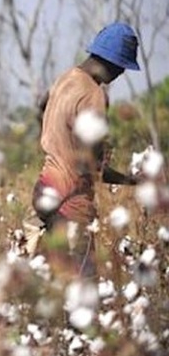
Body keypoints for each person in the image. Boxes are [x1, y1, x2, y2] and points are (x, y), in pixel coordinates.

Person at [33, 22, 139, 278]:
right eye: (122, 67)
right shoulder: (93, 94)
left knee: (51, 279)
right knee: (84, 281)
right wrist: (131, 180)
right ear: (114, 63)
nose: (121, 74)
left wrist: (56, 137)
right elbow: (91, 165)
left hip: (44, 189)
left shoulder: (65, 78)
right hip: (70, 200)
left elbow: (41, 104)